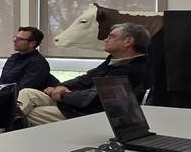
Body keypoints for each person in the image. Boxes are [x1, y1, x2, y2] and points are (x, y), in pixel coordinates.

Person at [17, 22, 152, 126]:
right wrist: (60, 86)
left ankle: (2, 135)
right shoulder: (112, 61)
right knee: (27, 93)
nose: (105, 39)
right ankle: (0, 130)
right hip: (75, 104)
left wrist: (64, 94)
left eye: (112, 36)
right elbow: (85, 79)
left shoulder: (135, 68)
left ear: (128, 41)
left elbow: (94, 97)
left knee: (31, 113)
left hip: (91, 114)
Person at [0, 26, 57, 100]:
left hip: (20, 100)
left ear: (32, 44)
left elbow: (22, 91)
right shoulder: (13, 58)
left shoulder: (38, 63)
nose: (14, 41)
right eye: (15, 37)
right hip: (2, 98)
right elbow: (1, 84)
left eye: (20, 39)